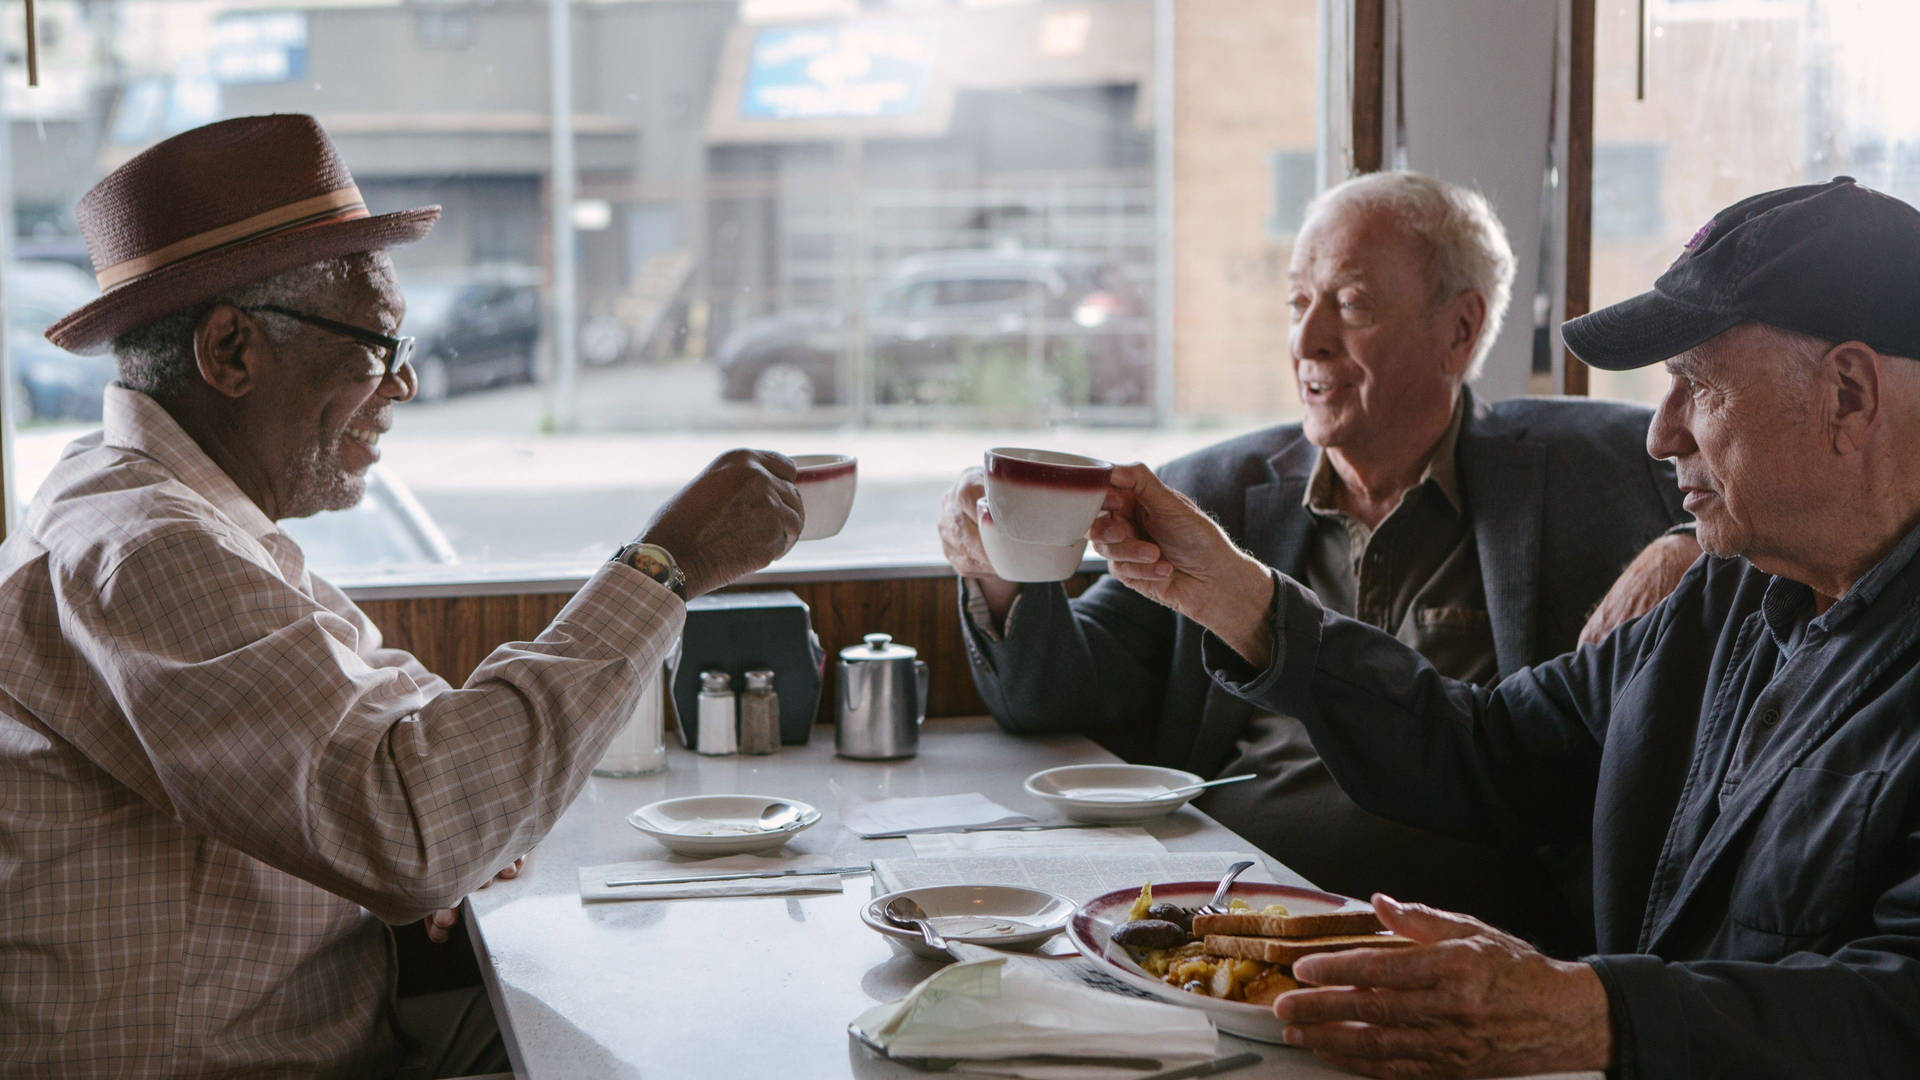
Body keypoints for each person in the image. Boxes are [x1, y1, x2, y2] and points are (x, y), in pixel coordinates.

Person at [0, 115, 803, 1078]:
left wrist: (461, 818)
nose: (407, 382)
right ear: (231, 352)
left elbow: (398, 725)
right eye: (377, 346)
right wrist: (665, 568)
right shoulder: (147, 549)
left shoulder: (170, 506)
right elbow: (413, 826)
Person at [1085, 175, 1920, 1077]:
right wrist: (1236, 597)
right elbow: (1484, 748)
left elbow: (1893, 1004)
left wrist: (1592, 1016)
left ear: (1848, 394)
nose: (1661, 434)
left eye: (1698, 387)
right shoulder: (1724, 596)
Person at [938, 171, 1693, 946]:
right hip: (1230, 919)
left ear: (1459, 330)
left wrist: (1686, 544)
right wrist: (997, 565)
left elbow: (1773, 499)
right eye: (1299, 304)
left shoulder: (1591, 467)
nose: (1307, 341)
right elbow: (1053, 695)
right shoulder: (1215, 493)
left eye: (1353, 303)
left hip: (1474, 938)